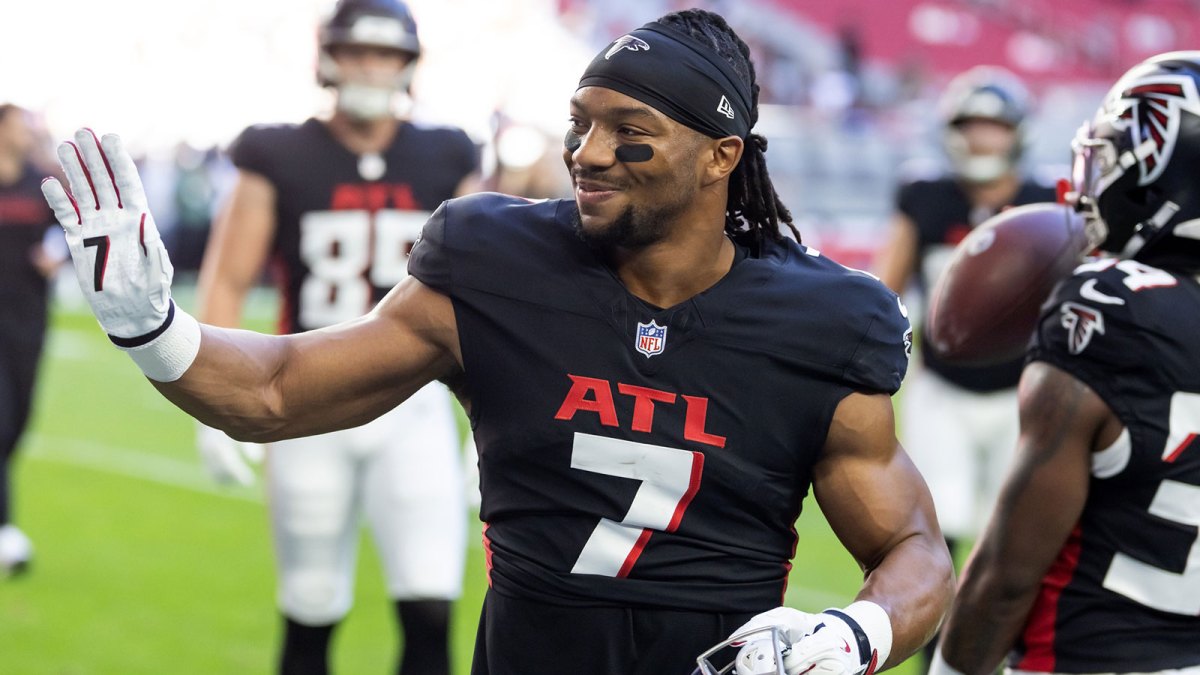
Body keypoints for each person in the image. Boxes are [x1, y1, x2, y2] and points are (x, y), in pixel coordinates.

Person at [42, 9, 954, 675]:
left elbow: (913, 545)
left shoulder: (822, 318)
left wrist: (853, 634)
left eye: (629, 132)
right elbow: (280, 389)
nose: (589, 152)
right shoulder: (497, 261)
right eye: (581, 121)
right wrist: (153, 328)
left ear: (722, 155)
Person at [192, 1, 480, 673]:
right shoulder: (277, 151)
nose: (370, 67)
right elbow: (229, 278)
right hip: (309, 399)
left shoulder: (448, 153)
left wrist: (491, 416)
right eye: (357, 52)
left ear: (408, 65)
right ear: (329, 57)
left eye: (385, 54)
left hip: (416, 402)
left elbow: (481, 294)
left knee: (432, 601)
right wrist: (214, 402)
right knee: (310, 604)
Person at [930, 51, 1200, 675]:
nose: (1087, 184)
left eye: (1109, 160)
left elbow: (1005, 576)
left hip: (1090, 653)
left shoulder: (1114, 306)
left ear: (1163, 173)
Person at [875, 67, 1055, 566]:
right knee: (936, 525)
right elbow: (884, 287)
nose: (981, 139)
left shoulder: (1048, 205)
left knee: (1015, 532)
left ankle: (1008, 644)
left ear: (1018, 132)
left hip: (1021, 392)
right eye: (970, 126)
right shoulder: (927, 196)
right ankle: (935, 643)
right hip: (942, 387)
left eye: (993, 127)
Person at [0, 104, 60, 577]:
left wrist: (55, 256)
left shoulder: (40, 183)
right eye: (21, 126)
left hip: (28, 316)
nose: (28, 134)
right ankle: (6, 530)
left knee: (18, 420)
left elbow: (69, 233)